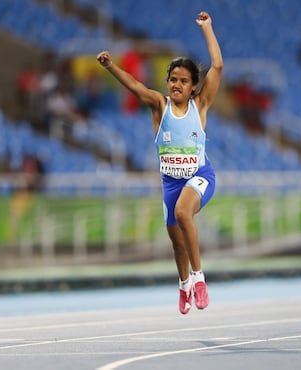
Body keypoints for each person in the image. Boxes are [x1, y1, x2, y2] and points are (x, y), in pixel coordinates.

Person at [97, 11, 222, 315]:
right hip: (171, 183)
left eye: (183, 81)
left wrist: (207, 28)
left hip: (199, 176)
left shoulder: (200, 105)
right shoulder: (159, 105)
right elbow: (134, 85)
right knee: (177, 243)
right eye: (172, 80)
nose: (176, 85)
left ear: (194, 87)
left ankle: (199, 278)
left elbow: (217, 66)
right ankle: (183, 285)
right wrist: (111, 65)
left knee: (183, 212)